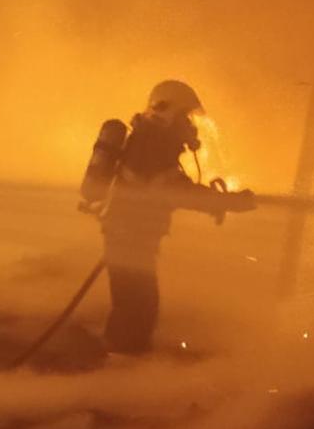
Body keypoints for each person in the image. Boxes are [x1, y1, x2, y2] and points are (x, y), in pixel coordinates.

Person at [78, 80, 256, 354]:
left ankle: (120, 359)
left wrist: (223, 201)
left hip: (128, 235)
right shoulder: (152, 147)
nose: (188, 124)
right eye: (184, 116)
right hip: (130, 237)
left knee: (134, 304)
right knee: (138, 307)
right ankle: (121, 367)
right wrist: (229, 202)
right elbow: (175, 191)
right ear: (167, 112)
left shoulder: (150, 142)